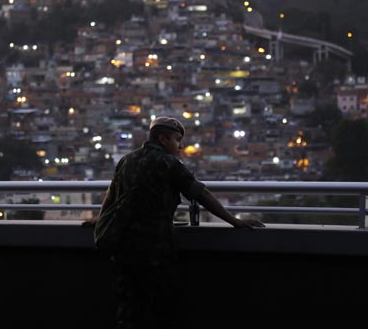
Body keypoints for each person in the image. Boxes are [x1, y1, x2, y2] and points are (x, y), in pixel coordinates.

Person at [83, 116, 265, 329]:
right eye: (177, 139)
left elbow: (111, 195)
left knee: (129, 311)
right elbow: (200, 193)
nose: (181, 146)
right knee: (160, 311)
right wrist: (234, 221)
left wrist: (100, 220)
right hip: (155, 251)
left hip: (124, 250)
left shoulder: (127, 160)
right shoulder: (168, 163)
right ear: (162, 139)